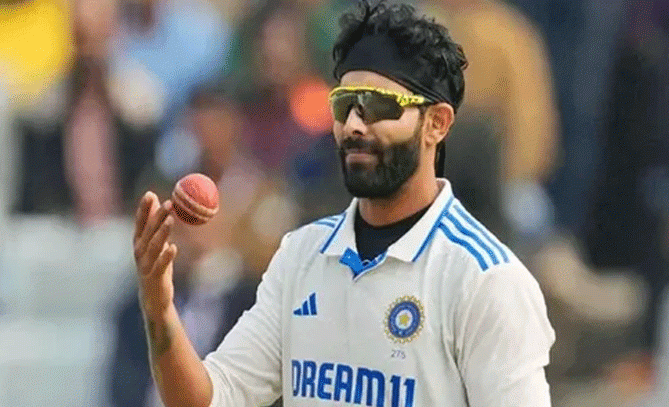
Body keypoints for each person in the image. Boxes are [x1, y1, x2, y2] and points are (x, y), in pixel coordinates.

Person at [131, 1, 555, 406]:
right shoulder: (302, 256)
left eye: (378, 106)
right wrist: (159, 308)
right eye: (344, 104)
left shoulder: (486, 281)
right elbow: (207, 399)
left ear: (436, 124)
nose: (354, 124)